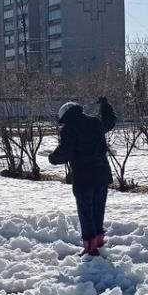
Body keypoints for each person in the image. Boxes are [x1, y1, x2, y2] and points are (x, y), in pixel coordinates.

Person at [48, 97, 117, 256]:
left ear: (64, 116)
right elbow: (110, 121)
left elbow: (65, 151)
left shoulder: (69, 128)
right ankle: (99, 240)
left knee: (85, 211)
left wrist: (53, 158)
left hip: (84, 177)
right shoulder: (94, 122)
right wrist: (106, 106)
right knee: (98, 208)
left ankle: (90, 247)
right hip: (102, 174)